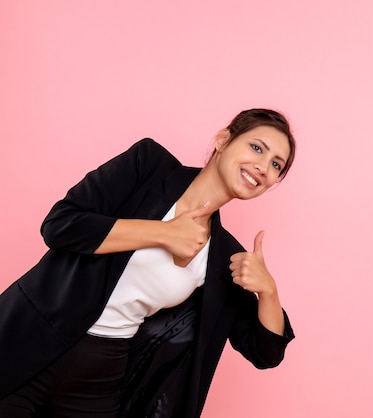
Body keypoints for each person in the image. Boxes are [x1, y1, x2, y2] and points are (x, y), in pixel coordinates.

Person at [0, 108, 297, 417]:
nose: (263, 166)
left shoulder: (224, 256)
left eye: (276, 164)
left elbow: (265, 353)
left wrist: (268, 292)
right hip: (30, 342)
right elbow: (61, 225)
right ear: (224, 140)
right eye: (256, 147)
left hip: (101, 376)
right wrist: (163, 233)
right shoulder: (149, 165)